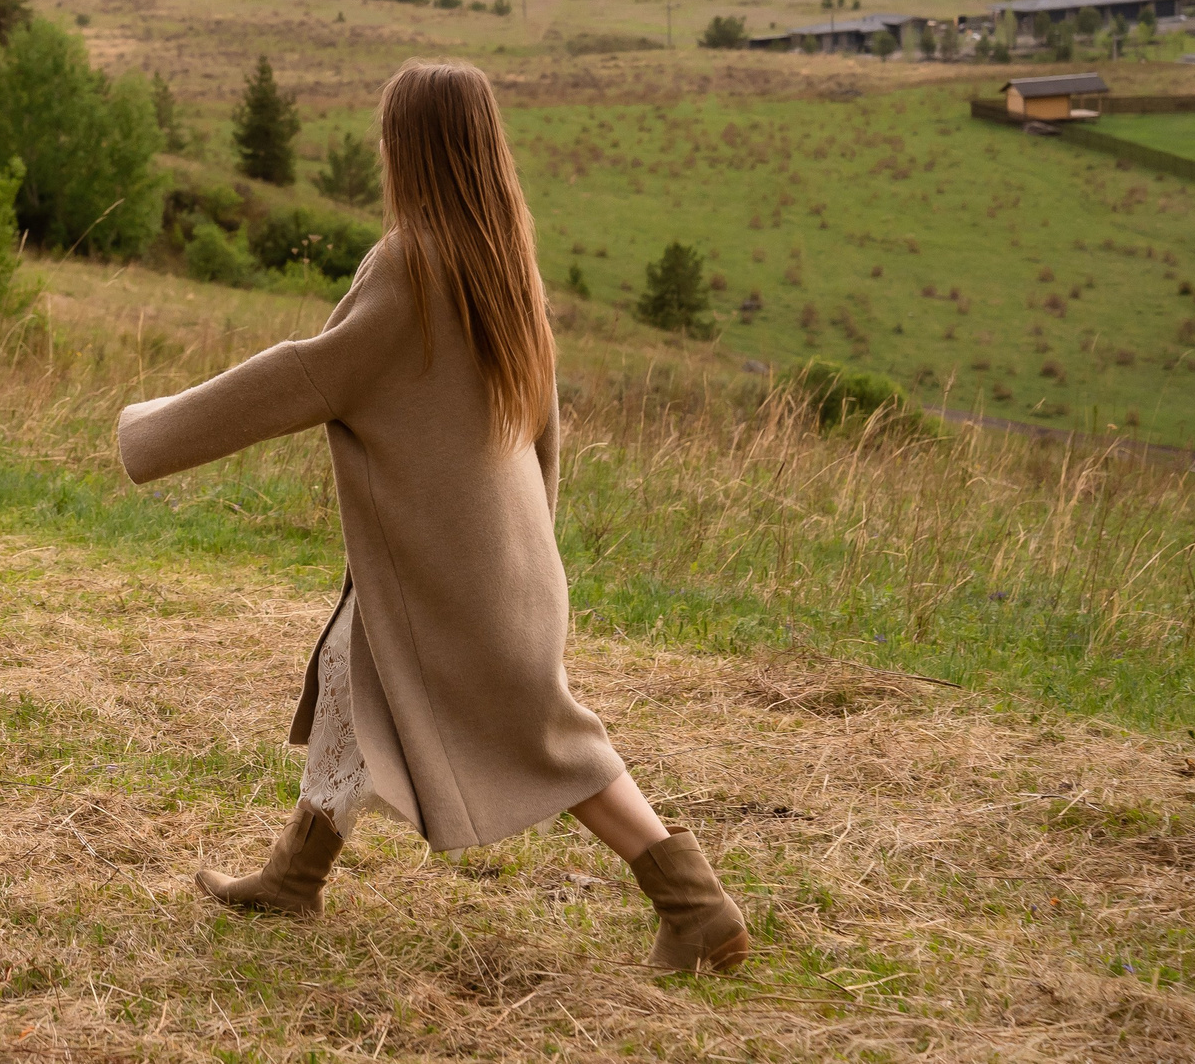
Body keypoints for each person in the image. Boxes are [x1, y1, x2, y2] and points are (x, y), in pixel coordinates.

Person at [114, 60, 751, 972]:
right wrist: (532, 558)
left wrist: (151, 431)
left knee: (551, 744)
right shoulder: (503, 260)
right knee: (354, 671)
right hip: (494, 563)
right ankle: (295, 876)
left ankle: (694, 904)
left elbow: (312, 373)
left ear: (408, 148)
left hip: (466, 575)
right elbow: (546, 429)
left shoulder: (414, 261)